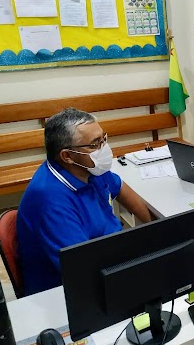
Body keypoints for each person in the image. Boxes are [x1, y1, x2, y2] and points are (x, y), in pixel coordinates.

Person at [17, 108, 152, 296]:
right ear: (67, 156)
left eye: (103, 139)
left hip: (108, 255)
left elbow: (120, 188)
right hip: (68, 292)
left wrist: (155, 229)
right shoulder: (51, 200)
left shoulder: (90, 169)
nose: (104, 149)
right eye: (95, 144)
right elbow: (82, 270)